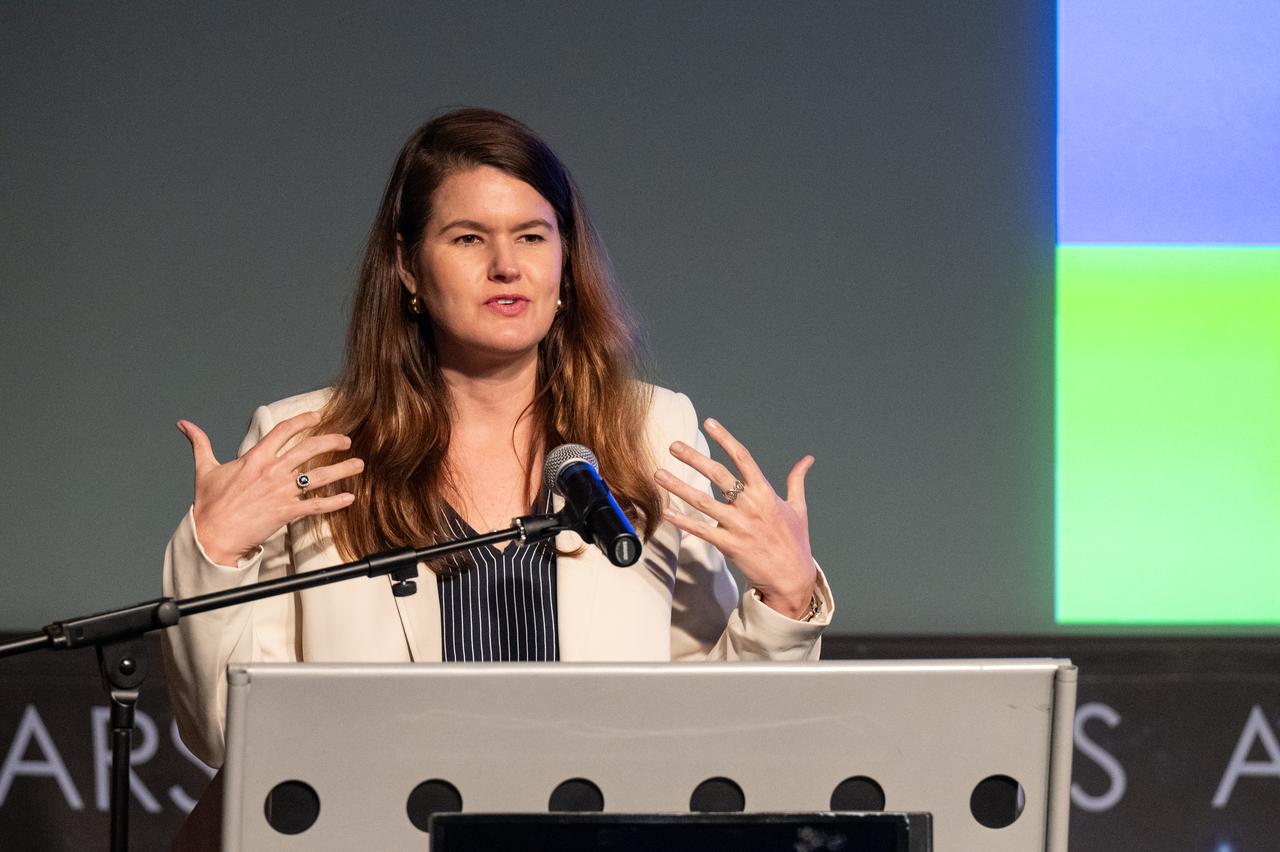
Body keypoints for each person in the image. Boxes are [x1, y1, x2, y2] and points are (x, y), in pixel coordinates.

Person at [162, 107, 833, 787]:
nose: (507, 266)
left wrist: (785, 597)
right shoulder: (307, 449)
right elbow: (228, 738)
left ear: (565, 263)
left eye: (533, 237)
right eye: (467, 238)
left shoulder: (651, 434)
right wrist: (214, 551)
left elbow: (718, 732)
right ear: (408, 268)